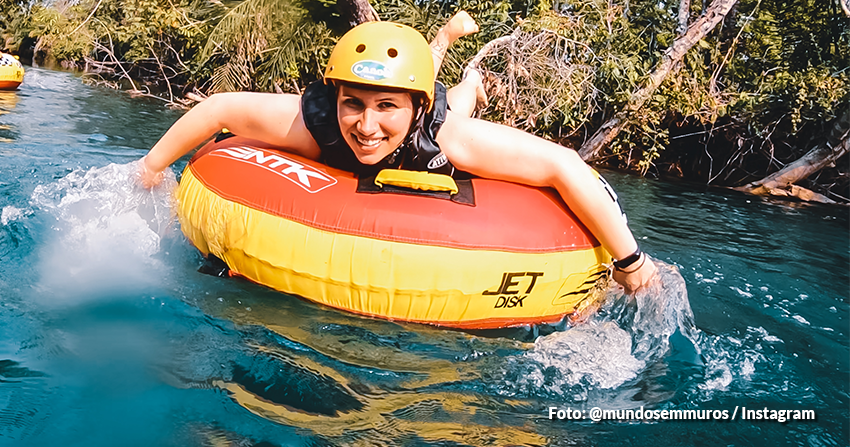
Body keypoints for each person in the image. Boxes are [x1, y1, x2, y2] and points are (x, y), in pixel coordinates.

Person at [137, 19, 660, 294]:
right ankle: (443, 48)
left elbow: (564, 164)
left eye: (386, 106)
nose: (366, 127)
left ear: (414, 108)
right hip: (418, 100)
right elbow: (220, 108)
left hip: (440, 122)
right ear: (335, 98)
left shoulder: (445, 135)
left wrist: (631, 264)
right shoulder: (313, 120)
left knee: (458, 102)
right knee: (397, 97)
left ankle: (467, 74)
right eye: (353, 104)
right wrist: (152, 169)